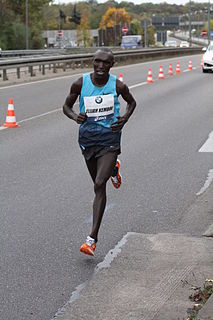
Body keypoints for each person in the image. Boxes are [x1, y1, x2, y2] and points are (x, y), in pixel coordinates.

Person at [63, 48, 136, 256]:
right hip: (87, 139)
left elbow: (132, 102)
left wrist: (124, 119)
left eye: (106, 63)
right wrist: (74, 116)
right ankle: (113, 169)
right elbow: (66, 106)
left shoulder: (118, 85)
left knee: (98, 185)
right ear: (92, 62)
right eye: (97, 62)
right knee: (97, 180)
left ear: (112, 65)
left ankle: (92, 239)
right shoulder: (80, 83)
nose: (101, 66)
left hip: (109, 139)